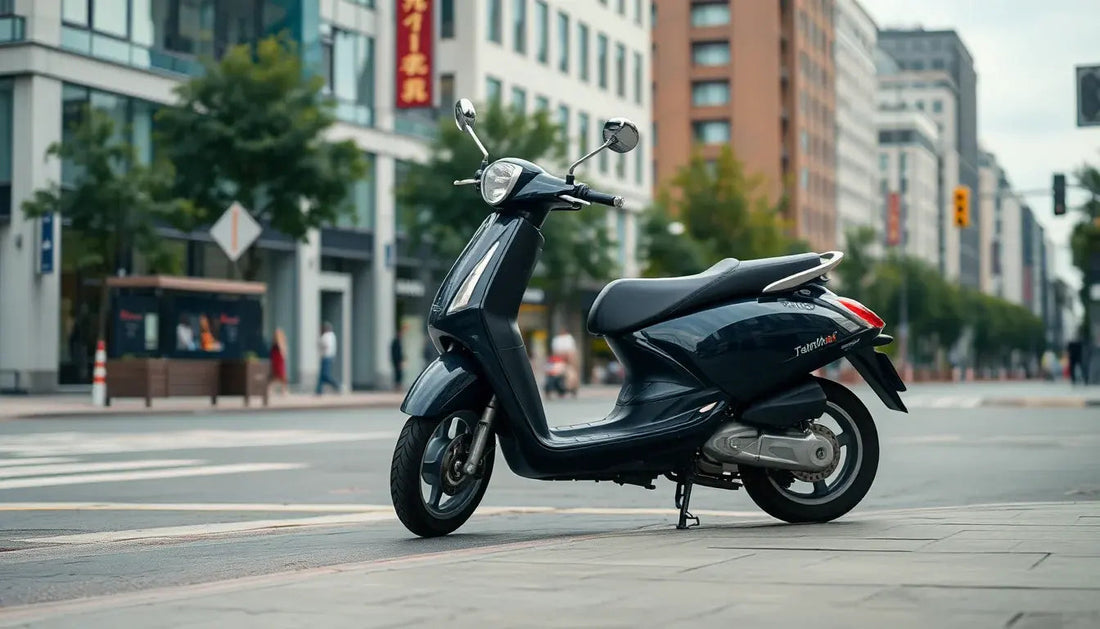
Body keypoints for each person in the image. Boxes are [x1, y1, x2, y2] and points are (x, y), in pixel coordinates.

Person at [549, 327, 579, 396]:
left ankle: (571, 388)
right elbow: (555, 352)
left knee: (572, 375)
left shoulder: (569, 339)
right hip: (559, 362)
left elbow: (572, 353)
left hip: (568, 362)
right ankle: (558, 388)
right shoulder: (557, 340)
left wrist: (571, 360)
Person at [316, 322, 340, 395]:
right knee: (321, 376)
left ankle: (337, 385)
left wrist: (319, 344)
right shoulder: (332, 336)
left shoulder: (327, 336)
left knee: (325, 375)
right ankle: (319, 390)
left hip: (326, 356)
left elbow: (325, 345)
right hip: (329, 356)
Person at [269, 328, 288, 395]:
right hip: (279, 361)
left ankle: (282, 390)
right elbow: (283, 353)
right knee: (280, 376)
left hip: (277, 361)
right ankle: (283, 391)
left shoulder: (275, 343)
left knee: (277, 376)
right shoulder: (278, 343)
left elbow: (272, 354)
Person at [391, 326, 406, 391]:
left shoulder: (397, 341)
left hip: (397, 360)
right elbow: (397, 353)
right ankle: (397, 386)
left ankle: (398, 386)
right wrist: (399, 361)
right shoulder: (396, 341)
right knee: (398, 373)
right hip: (397, 361)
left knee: (399, 373)